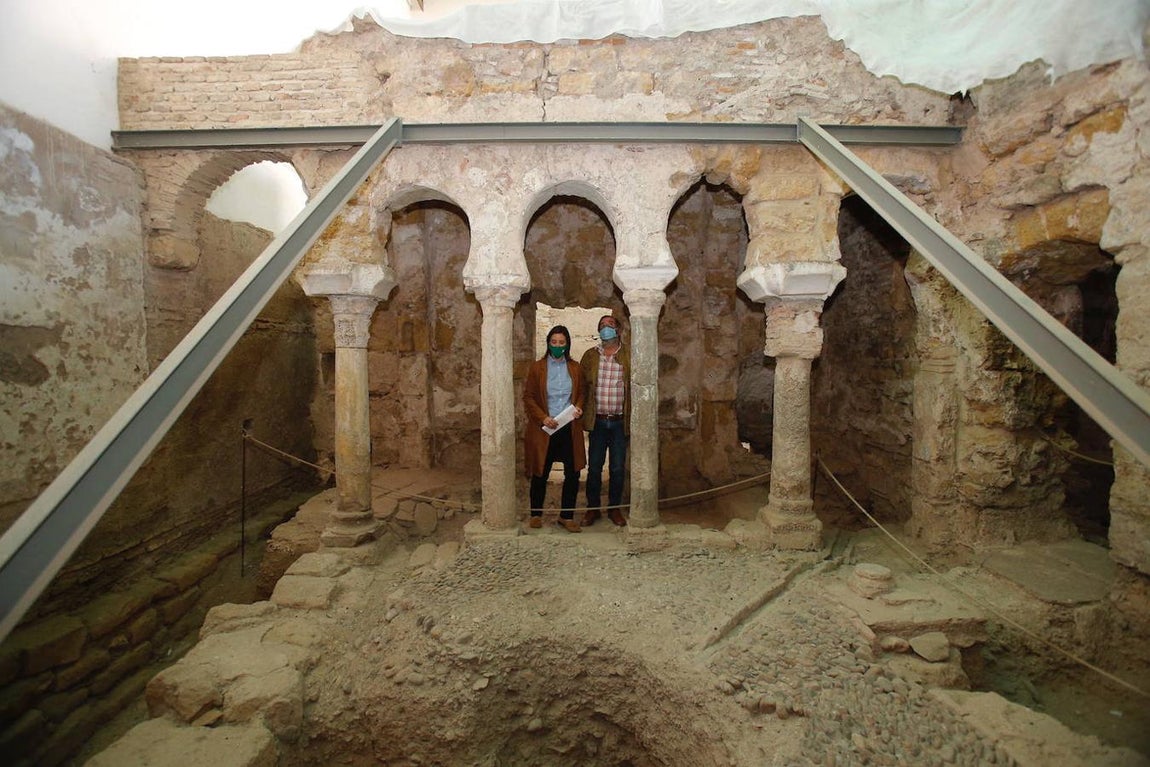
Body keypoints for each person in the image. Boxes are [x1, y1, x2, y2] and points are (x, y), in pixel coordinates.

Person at [523, 325, 586, 532]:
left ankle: (566, 516)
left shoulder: (575, 368)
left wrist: (578, 406)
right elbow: (529, 397)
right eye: (554, 342)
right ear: (548, 343)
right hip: (545, 428)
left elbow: (582, 393)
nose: (558, 346)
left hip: (569, 427)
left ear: (567, 344)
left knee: (573, 473)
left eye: (562, 342)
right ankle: (536, 514)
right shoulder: (537, 367)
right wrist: (543, 418)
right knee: (540, 471)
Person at [579, 314, 630, 526]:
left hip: (619, 422)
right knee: (594, 468)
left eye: (609, 325)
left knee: (618, 468)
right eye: (601, 326)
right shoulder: (590, 356)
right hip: (598, 422)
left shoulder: (628, 355)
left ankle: (614, 508)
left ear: (617, 330)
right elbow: (582, 386)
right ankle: (592, 509)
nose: (605, 329)